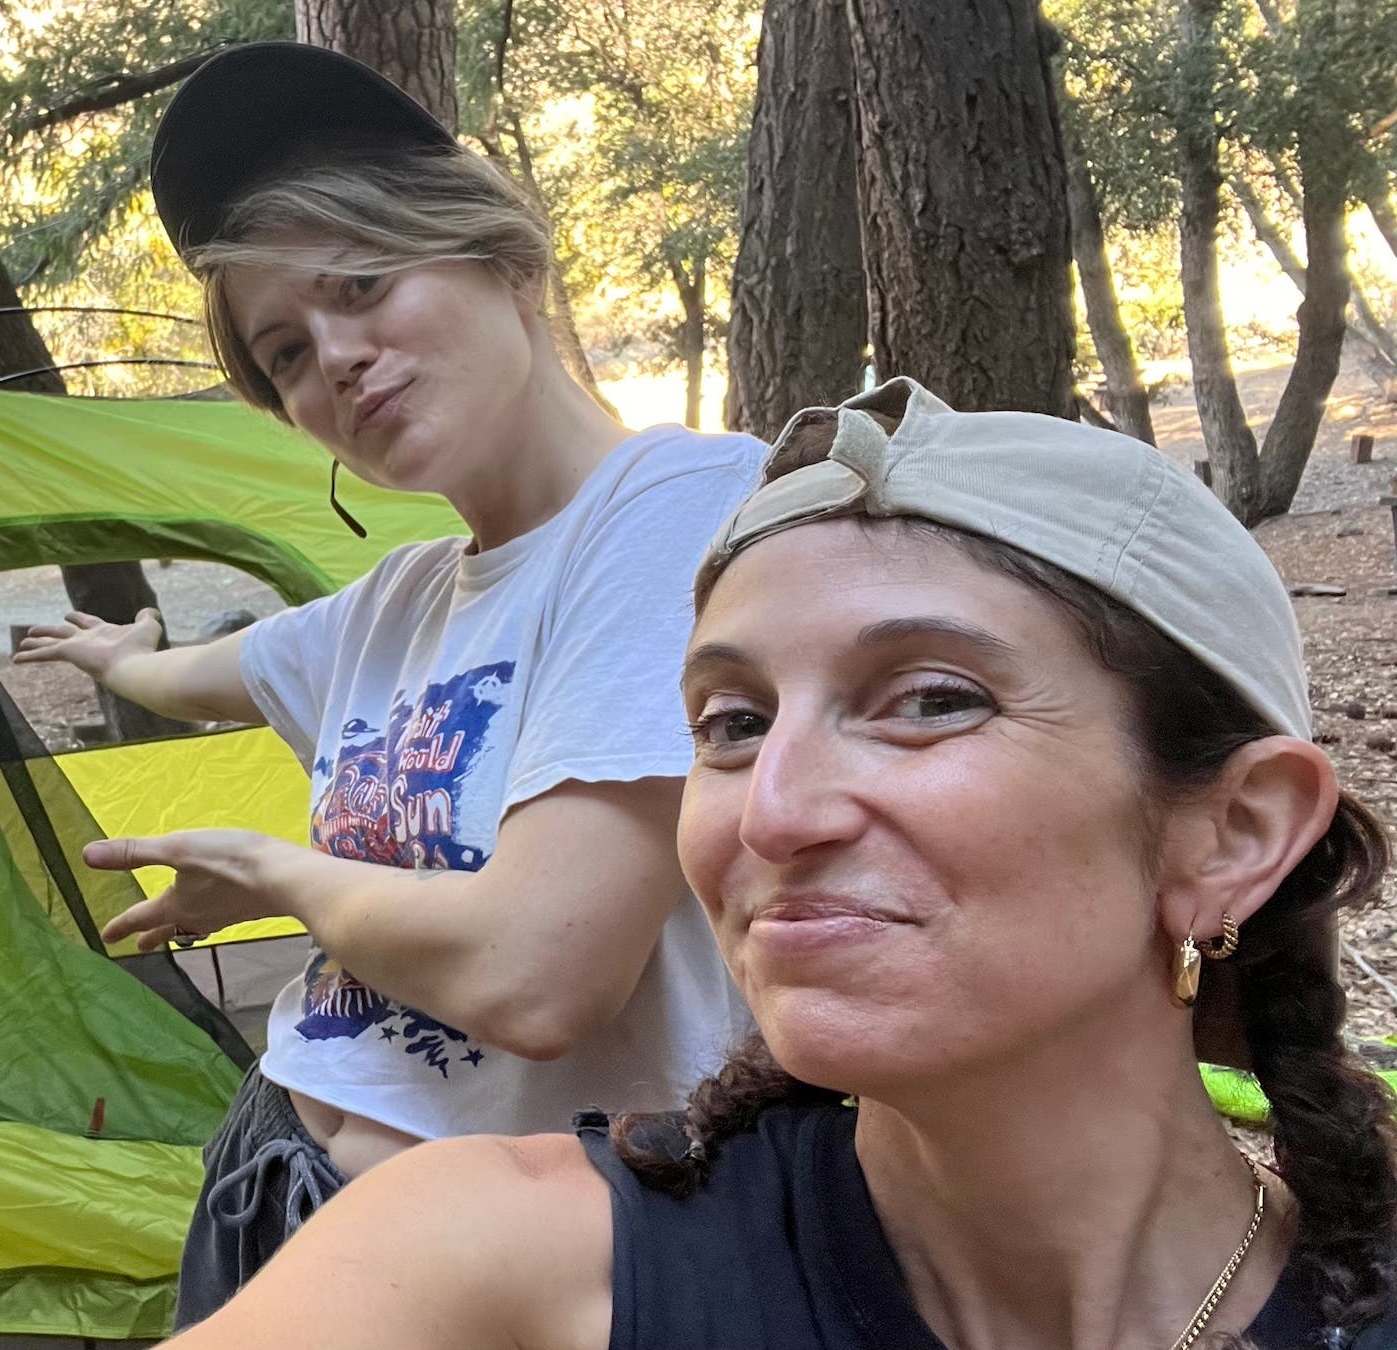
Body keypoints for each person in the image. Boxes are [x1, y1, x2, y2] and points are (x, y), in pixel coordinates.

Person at [165, 378, 1397, 1349]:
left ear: (1233, 831)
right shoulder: (508, 1262)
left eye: (929, 700)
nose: (771, 813)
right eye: (732, 725)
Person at [13, 43, 758, 1323]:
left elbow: (538, 974)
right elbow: (207, 674)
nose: (337, 361)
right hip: (274, 1181)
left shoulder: (673, 507)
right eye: (287, 351)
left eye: (363, 285)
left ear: (508, 262)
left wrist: (279, 877)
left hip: (537, 1276)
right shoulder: (404, 598)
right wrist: (117, 656)